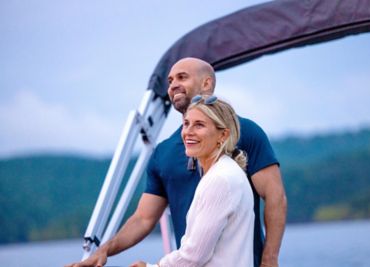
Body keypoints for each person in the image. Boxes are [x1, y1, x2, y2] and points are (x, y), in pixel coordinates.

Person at [65, 57, 287, 267]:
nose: (172, 85)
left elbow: (275, 197)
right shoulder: (163, 152)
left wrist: (269, 260)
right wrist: (104, 251)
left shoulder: (245, 133)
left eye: (182, 77)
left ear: (207, 83)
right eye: (170, 81)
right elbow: (143, 218)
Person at [131, 94, 254, 266]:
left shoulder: (220, 180)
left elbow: (194, 256)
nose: (188, 132)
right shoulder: (226, 173)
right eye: (186, 124)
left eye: (199, 125)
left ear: (223, 135)